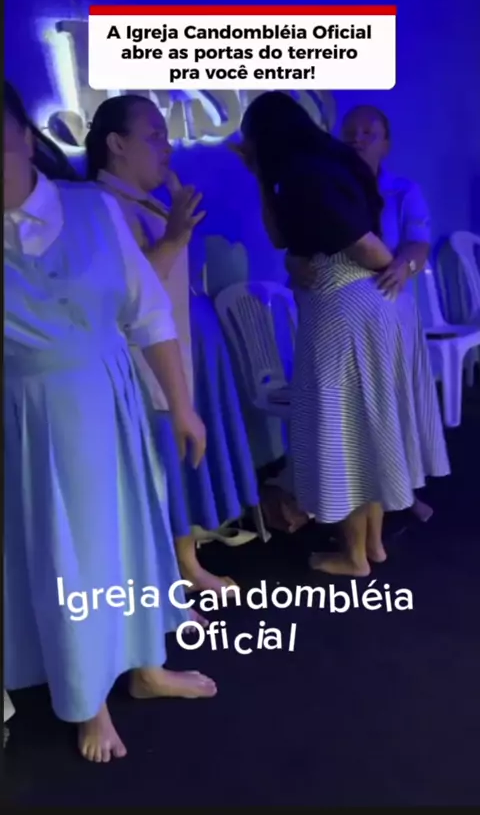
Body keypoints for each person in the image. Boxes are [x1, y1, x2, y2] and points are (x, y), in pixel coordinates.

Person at [4, 81, 216, 765]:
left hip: (109, 400)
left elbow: (147, 311)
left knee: (133, 534)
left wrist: (182, 405)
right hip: (30, 420)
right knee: (65, 553)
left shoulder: (91, 208)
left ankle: (147, 666)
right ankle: (87, 697)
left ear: (24, 137)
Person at [234, 92, 450, 577]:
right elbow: (283, 239)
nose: (356, 138)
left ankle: (354, 555)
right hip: (371, 310)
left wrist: (388, 266)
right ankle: (371, 545)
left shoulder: (305, 174)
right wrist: (262, 177)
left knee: (344, 433)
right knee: (369, 429)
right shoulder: (328, 164)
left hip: (343, 309)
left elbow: (362, 244)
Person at [85, 94, 255, 597]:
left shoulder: (144, 202)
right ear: (117, 144)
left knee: (174, 470)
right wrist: (176, 235)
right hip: (140, 370)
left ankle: (186, 566)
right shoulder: (100, 207)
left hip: (169, 362)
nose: (167, 146)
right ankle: (167, 581)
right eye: (154, 135)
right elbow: (129, 296)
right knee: (155, 475)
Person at [341, 104, 435, 522]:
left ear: (386, 143)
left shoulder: (403, 191)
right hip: (345, 318)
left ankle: (403, 491)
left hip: (390, 312)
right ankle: (362, 502)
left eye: (368, 132)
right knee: (358, 417)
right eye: (350, 131)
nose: (357, 138)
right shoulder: (329, 189)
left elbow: (419, 243)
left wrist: (404, 265)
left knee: (396, 407)